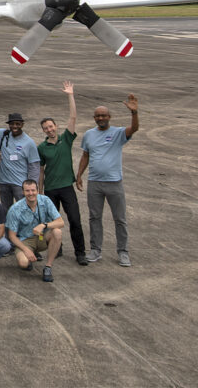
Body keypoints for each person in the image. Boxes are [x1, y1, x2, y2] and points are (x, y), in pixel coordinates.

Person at [77, 94, 140, 266]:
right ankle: (96, 250)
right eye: (97, 116)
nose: (100, 118)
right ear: (94, 118)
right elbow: (85, 155)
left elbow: (133, 129)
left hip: (114, 183)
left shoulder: (118, 133)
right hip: (95, 183)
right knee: (94, 217)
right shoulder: (89, 135)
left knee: (120, 218)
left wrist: (134, 113)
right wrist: (79, 175)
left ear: (109, 117)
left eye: (103, 115)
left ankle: (123, 252)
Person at [38, 82, 88, 266]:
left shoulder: (66, 139)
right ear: (43, 131)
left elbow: (73, 117)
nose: (49, 130)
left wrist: (70, 95)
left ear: (56, 126)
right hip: (50, 189)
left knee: (75, 219)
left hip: (67, 187)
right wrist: (40, 191)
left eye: (51, 126)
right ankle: (56, 248)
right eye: (46, 128)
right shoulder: (42, 147)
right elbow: (41, 170)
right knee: (52, 222)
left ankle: (80, 252)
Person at [5, 179, 64, 282]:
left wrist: (44, 225)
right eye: (27, 191)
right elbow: (12, 236)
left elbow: (61, 222)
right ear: (23, 192)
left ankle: (48, 267)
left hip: (42, 236)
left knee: (57, 232)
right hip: (25, 240)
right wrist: (26, 250)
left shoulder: (45, 200)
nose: (30, 193)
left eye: (33, 190)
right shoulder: (15, 209)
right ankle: (29, 257)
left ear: (37, 190)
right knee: (23, 263)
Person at [0, 109, 41, 208]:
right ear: (9, 124)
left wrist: (31, 187)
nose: (15, 126)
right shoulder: (3, 134)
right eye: (12, 124)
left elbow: (34, 167)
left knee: (24, 210)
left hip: (20, 184)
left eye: (18, 124)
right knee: (6, 212)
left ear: (22, 125)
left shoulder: (29, 142)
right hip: (3, 182)